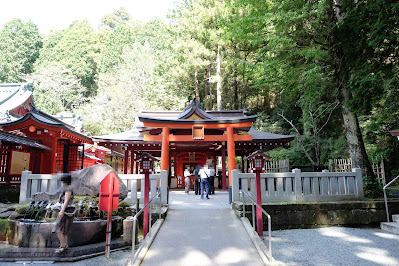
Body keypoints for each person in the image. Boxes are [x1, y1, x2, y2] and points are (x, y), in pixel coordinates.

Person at [52, 173, 75, 254]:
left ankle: (63, 246)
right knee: (64, 230)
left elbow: (66, 201)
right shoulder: (67, 188)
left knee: (57, 228)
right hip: (67, 211)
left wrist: (61, 211)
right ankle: (64, 246)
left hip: (65, 211)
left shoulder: (68, 189)